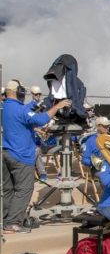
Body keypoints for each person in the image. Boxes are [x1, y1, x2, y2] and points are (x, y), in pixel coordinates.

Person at [2, 80, 71, 234]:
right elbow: (41, 120)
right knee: (24, 189)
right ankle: (12, 223)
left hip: (6, 153)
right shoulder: (21, 110)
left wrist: (34, 107)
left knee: (8, 189)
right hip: (21, 155)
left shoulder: (5, 106)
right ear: (18, 92)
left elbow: (23, 114)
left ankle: (4, 219)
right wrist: (57, 107)